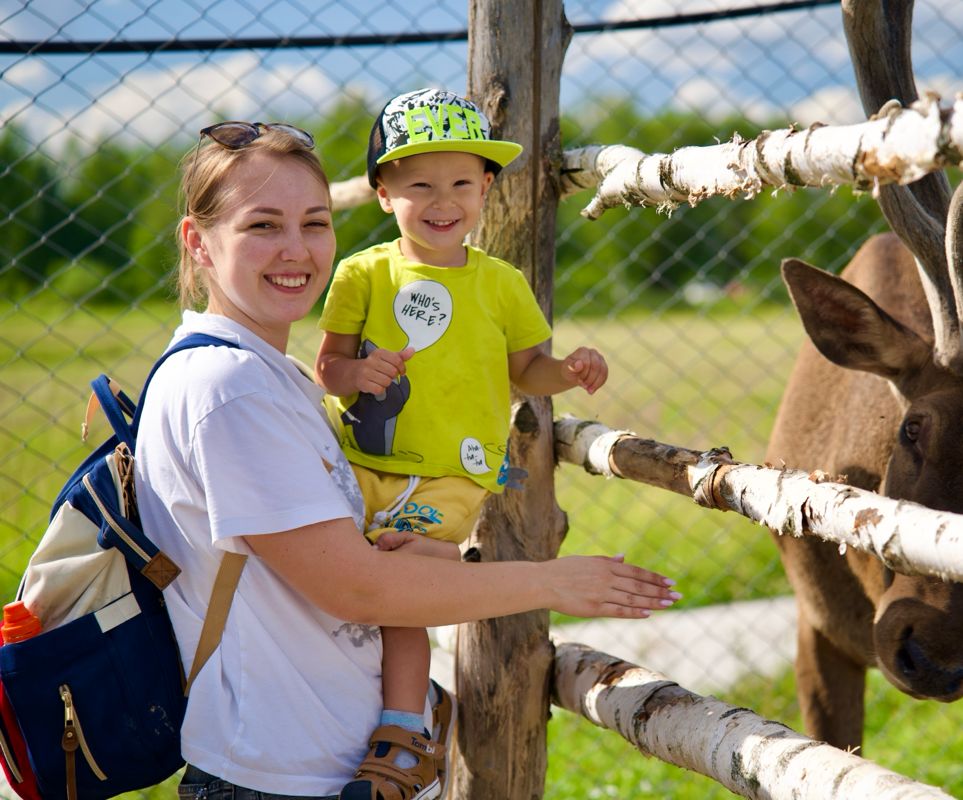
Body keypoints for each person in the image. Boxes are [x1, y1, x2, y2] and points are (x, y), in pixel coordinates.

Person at [134, 121, 680, 800]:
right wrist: (553, 583)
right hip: (287, 777)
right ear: (198, 241)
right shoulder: (228, 391)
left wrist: (439, 562)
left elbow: (344, 560)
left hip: (331, 761)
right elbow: (357, 588)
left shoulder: (278, 375)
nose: (297, 250)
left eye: (315, 222)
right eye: (263, 226)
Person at [312, 89, 611, 800]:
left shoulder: (502, 285)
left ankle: (402, 728)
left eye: (460, 183)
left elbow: (524, 372)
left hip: (452, 475)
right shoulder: (363, 274)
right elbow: (328, 368)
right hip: (355, 464)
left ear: (484, 188)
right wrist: (361, 371)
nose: (442, 201)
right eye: (419, 184)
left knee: (400, 585)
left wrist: (565, 373)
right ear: (384, 194)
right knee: (336, 590)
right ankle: (366, 707)